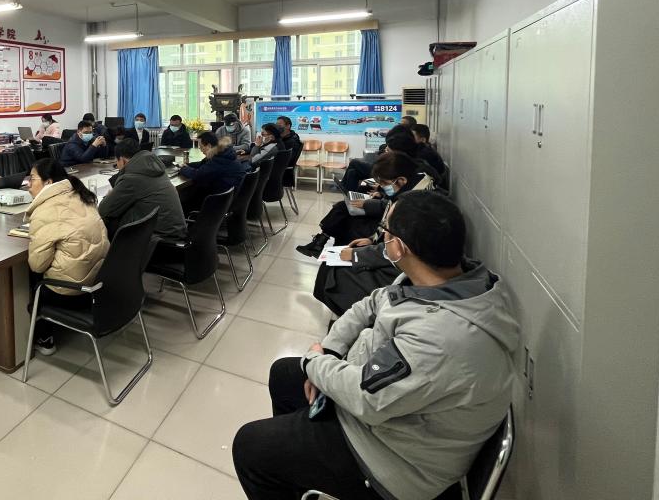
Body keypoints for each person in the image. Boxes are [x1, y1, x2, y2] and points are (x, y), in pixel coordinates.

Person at [233, 192, 517, 500]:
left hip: (390, 460)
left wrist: (316, 363)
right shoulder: (444, 280)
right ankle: (298, 466)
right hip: (386, 408)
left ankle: (294, 459)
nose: (382, 238)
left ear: (399, 247)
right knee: (284, 374)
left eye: (385, 232)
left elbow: (365, 399)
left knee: (249, 447)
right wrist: (330, 350)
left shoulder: (442, 338)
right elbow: (372, 302)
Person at [25, 158, 110, 355]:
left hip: (73, 293)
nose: (28, 184)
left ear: (48, 182)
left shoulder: (46, 210)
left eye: (32, 178)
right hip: (99, 282)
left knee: (33, 276)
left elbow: (37, 266)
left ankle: (44, 338)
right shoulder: (80, 194)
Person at [299, 151, 435, 259]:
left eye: (384, 183)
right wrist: (381, 193)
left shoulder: (413, 201)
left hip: (390, 245)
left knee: (346, 219)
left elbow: (390, 223)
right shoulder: (414, 181)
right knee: (343, 207)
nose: (382, 186)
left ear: (401, 180)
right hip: (384, 229)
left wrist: (371, 238)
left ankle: (325, 246)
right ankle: (321, 243)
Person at [98, 138, 187, 243]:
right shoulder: (154, 167)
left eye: (116, 162)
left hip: (161, 241)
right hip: (176, 233)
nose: (117, 166)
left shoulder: (132, 178)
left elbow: (103, 210)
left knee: (109, 221)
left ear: (122, 160)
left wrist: (110, 194)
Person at [178, 131, 249, 212]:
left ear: (208, 146)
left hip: (220, 203)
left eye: (201, 147)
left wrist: (183, 169)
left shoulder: (218, 160)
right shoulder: (223, 152)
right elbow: (203, 164)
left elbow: (197, 175)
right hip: (231, 197)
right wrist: (187, 165)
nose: (200, 150)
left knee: (184, 202)